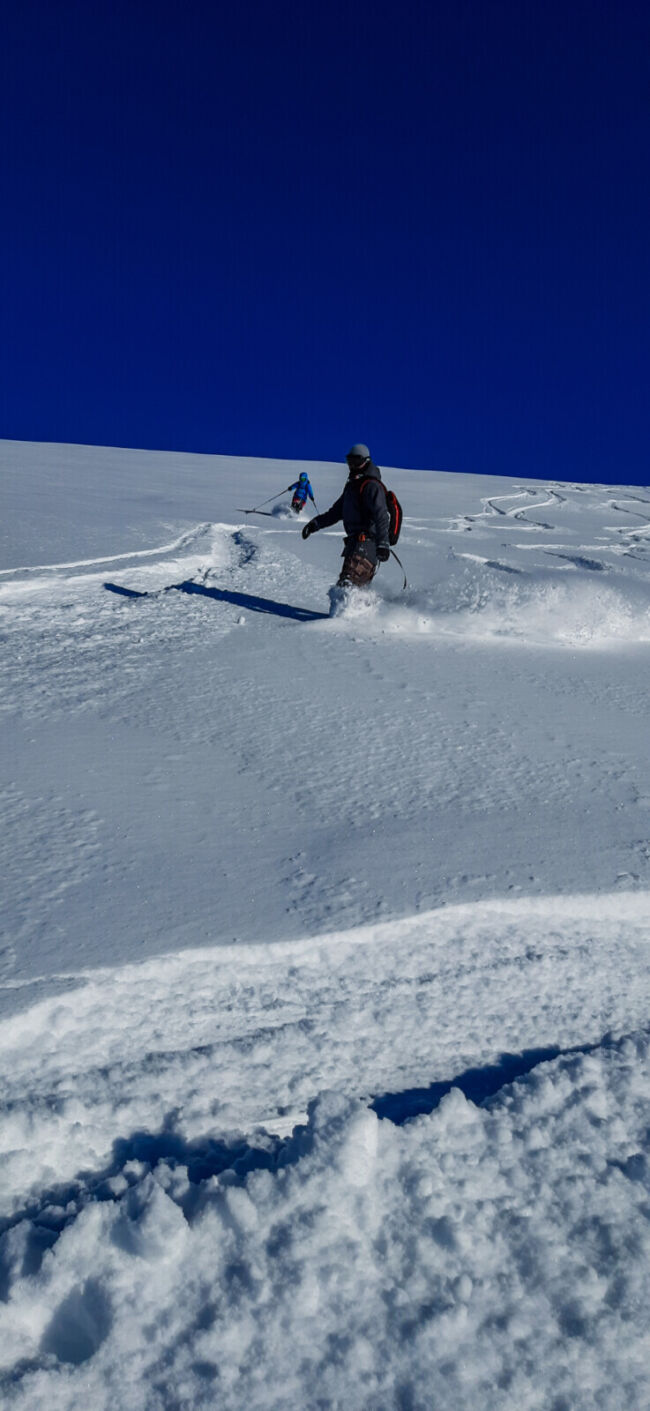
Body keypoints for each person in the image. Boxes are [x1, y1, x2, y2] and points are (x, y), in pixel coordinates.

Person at [301, 444, 390, 587]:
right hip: (353, 544)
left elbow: (381, 515)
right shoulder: (352, 487)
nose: (351, 465)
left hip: (367, 543)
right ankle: (363, 609)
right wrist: (315, 524)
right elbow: (336, 512)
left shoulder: (371, 485)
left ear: (365, 461)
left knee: (347, 584)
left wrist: (383, 544)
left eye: (356, 461)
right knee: (353, 588)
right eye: (349, 461)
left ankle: (348, 609)